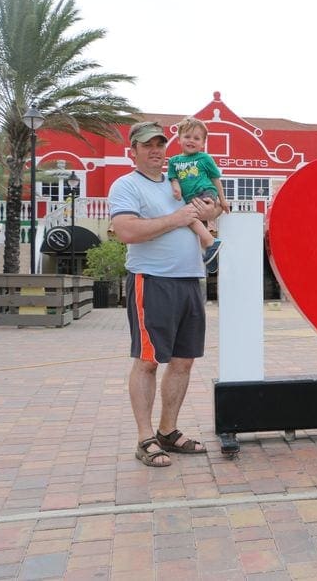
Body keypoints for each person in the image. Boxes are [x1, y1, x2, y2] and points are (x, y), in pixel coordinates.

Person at [110, 121, 222, 467]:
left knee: (183, 361)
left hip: (191, 280)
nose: (156, 151)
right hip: (152, 281)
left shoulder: (182, 180)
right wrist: (177, 219)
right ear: (134, 152)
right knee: (147, 361)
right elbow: (126, 230)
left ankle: (167, 431)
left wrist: (211, 210)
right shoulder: (126, 185)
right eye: (147, 145)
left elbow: (211, 205)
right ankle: (145, 438)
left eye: (160, 144)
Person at [167, 117, 228, 273]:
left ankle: (211, 242)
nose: (191, 141)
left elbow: (215, 179)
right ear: (179, 139)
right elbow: (173, 177)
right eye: (187, 137)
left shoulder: (204, 158)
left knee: (188, 218)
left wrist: (222, 200)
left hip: (205, 192)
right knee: (195, 227)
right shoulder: (174, 161)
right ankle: (211, 258)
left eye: (196, 138)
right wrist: (176, 187)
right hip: (190, 198)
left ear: (203, 143)